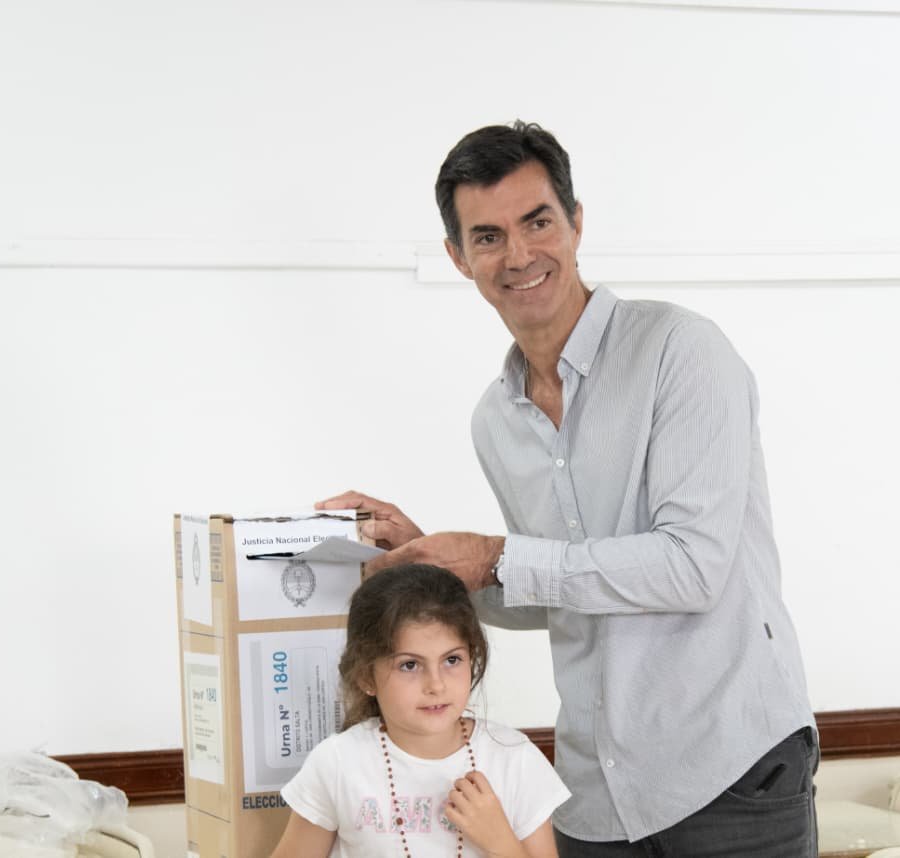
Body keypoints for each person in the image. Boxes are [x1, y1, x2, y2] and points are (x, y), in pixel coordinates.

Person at [318, 120, 818, 856]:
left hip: (731, 776)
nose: (519, 255)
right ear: (458, 258)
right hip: (595, 794)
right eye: (488, 237)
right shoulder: (495, 420)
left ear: (577, 223)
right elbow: (552, 591)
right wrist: (431, 562)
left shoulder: (681, 352)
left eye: (538, 222)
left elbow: (694, 567)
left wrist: (494, 556)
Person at [271, 563, 570, 858]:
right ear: (365, 676)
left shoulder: (514, 759)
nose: (436, 685)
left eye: (452, 660)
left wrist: (500, 843)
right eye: (410, 665)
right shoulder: (337, 763)